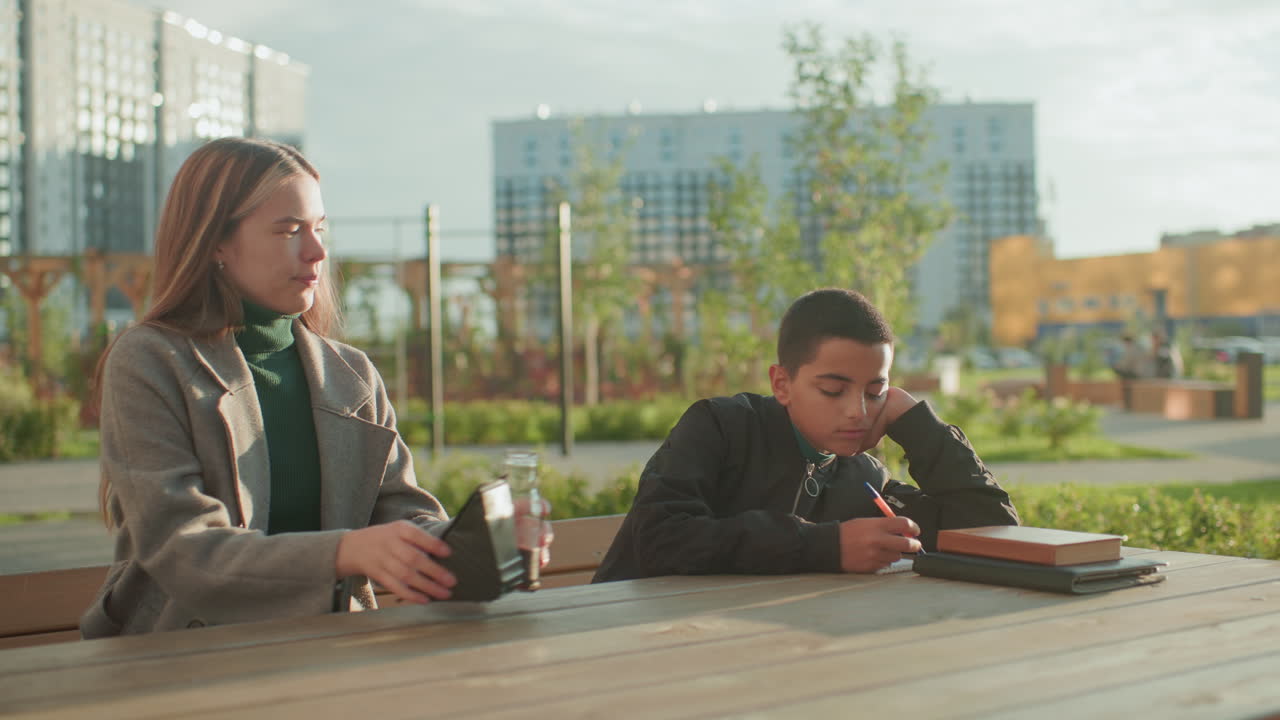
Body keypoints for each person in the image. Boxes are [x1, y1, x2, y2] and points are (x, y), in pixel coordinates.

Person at [84, 138, 543, 638]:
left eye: (320, 228)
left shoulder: (352, 374)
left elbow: (405, 516)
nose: (317, 251)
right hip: (179, 661)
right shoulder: (150, 360)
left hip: (333, 651)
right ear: (215, 241)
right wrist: (346, 551)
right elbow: (185, 551)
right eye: (288, 230)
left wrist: (487, 544)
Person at [593, 288, 1020, 582]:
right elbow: (660, 538)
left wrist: (916, 422)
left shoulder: (861, 476)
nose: (858, 411)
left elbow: (994, 530)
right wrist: (824, 545)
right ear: (782, 384)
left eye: (875, 392)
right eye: (833, 390)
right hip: (631, 640)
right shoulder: (720, 427)